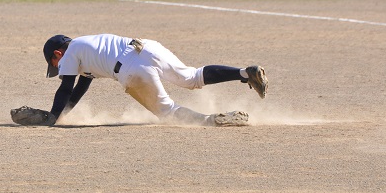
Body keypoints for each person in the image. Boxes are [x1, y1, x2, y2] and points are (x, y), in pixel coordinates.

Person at [42, 34, 269, 126]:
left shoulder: (69, 54)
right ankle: (244, 73)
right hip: (146, 47)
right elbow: (79, 89)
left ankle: (212, 121)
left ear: (57, 54)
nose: (58, 68)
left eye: (54, 64)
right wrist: (62, 115)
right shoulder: (86, 46)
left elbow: (66, 89)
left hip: (131, 69)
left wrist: (51, 118)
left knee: (167, 112)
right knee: (193, 77)